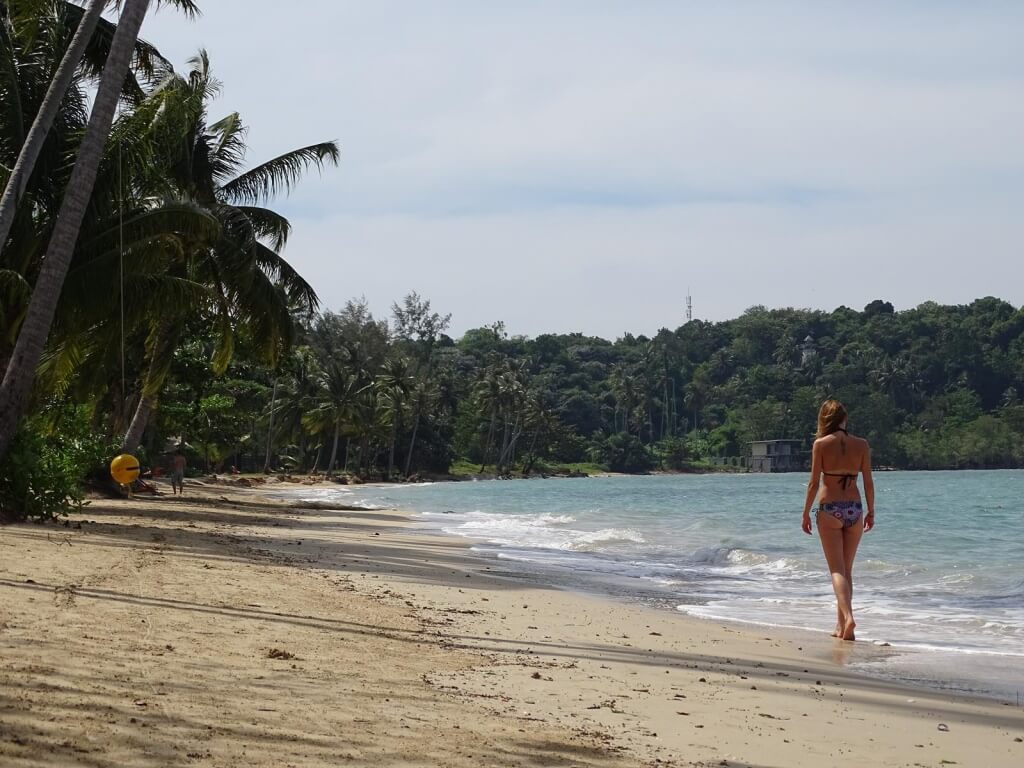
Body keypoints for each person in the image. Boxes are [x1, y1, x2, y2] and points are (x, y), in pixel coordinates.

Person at [801, 399, 875, 641]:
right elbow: (868, 482)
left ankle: (849, 617)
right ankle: (840, 626)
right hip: (855, 508)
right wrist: (871, 511)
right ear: (845, 418)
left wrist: (805, 513)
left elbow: (813, 483)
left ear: (825, 420)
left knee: (836, 570)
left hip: (829, 509)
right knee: (847, 570)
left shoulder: (820, 444)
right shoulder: (861, 444)